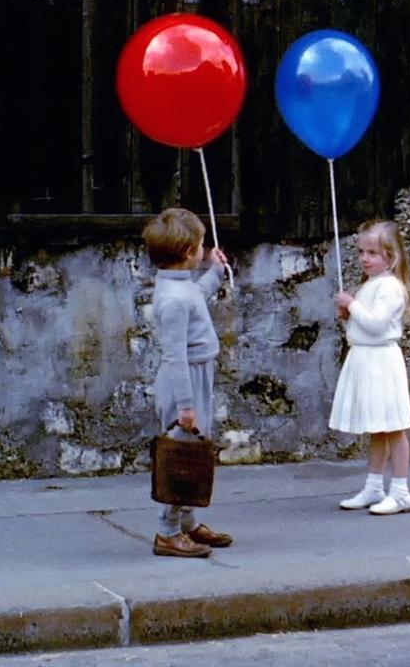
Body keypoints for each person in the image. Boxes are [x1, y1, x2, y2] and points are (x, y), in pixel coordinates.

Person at [142, 207, 234, 558]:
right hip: (185, 380)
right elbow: (174, 356)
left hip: (198, 374)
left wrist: (215, 271)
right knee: (179, 456)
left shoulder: (179, 286)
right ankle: (167, 531)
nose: (203, 248)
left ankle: (188, 523)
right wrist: (185, 406)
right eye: (200, 245)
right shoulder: (173, 300)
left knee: (194, 453)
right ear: (186, 254)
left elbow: (200, 295)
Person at [330, 219, 410, 515]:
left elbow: (378, 323)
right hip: (366, 359)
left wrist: (352, 305)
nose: (364, 258)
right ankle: (374, 486)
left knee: (394, 427)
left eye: (372, 253)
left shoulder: (391, 287)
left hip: (382, 362)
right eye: (361, 252)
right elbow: (364, 323)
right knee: (377, 428)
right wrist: (349, 314)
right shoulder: (372, 284)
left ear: (390, 257)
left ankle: (401, 491)